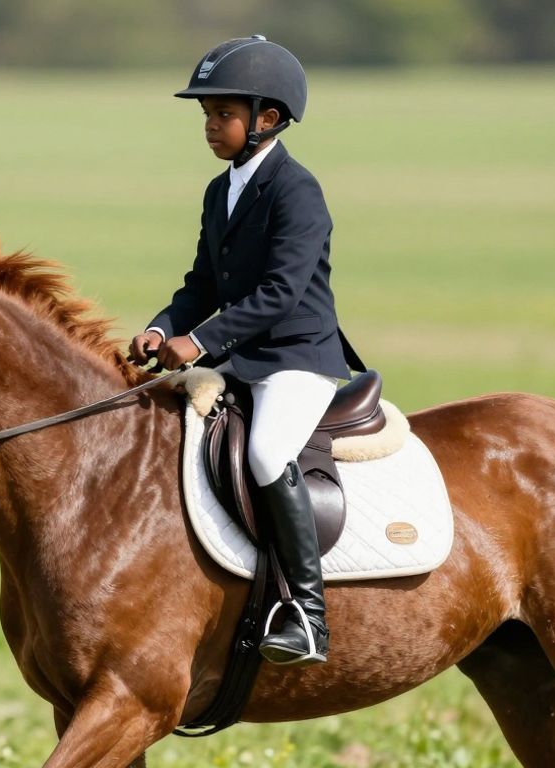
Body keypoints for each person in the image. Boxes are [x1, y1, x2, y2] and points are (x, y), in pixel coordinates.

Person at [129, 36, 363, 667]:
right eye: (206, 114)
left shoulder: (297, 190)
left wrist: (200, 340)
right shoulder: (220, 190)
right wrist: (160, 327)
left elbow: (282, 292)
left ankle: (308, 616)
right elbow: (203, 282)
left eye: (223, 114)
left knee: (264, 452)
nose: (210, 125)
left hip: (297, 357)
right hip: (242, 357)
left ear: (268, 119)